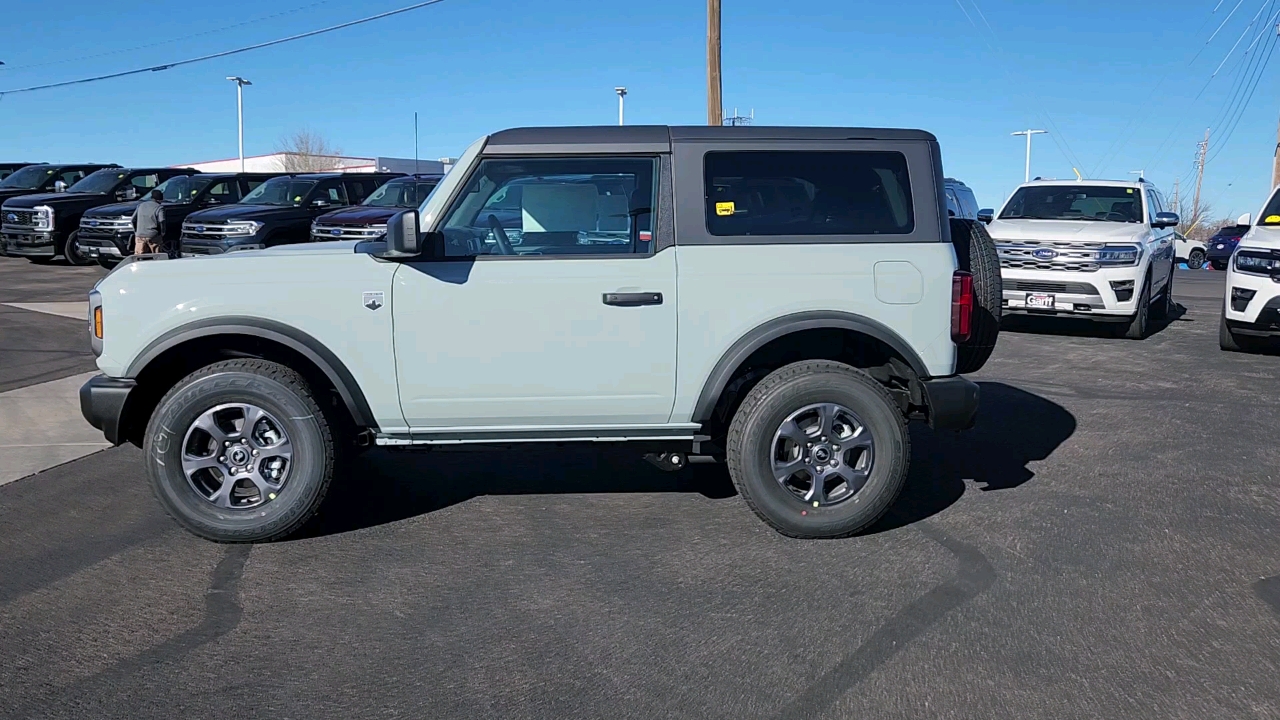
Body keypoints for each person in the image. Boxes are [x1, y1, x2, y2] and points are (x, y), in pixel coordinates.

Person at [132, 189, 165, 255]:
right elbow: (162, 220)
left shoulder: (141, 205)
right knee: (157, 255)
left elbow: (132, 219)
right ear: (160, 199)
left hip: (140, 235)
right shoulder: (159, 207)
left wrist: (136, 231)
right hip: (153, 235)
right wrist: (162, 232)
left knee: (138, 256)